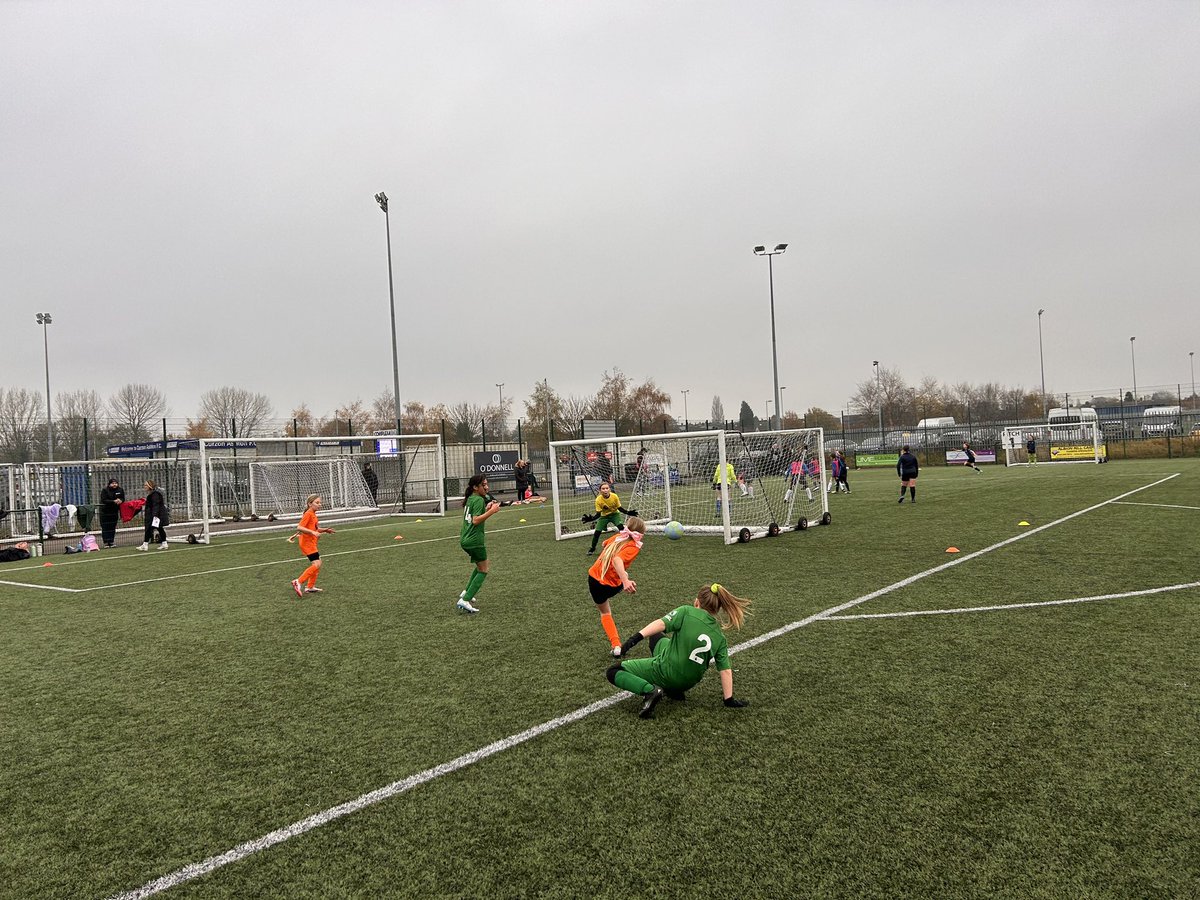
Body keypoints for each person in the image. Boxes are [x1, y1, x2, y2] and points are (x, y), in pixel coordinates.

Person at [606, 582, 752, 719]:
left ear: (697, 602)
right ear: (718, 608)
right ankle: (673, 690)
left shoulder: (687, 611)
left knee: (613, 671)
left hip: (666, 671)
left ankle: (649, 691)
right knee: (658, 639)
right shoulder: (720, 638)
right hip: (686, 684)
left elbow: (660, 624)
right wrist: (729, 699)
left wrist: (632, 641)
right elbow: (725, 670)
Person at [587, 516, 646, 656]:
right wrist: (625, 580)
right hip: (612, 586)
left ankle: (616, 645)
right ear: (641, 533)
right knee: (621, 574)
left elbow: (604, 544)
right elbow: (617, 559)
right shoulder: (633, 547)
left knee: (605, 613)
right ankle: (625, 579)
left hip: (594, 580)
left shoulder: (617, 537)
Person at [458, 474, 502, 613]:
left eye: (486, 484)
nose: (486, 487)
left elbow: (473, 518)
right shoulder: (477, 499)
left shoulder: (472, 499)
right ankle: (465, 600)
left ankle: (466, 593)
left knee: (479, 566)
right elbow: (476, 520)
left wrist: (487, 509)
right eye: (483, 485)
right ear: (475, 487)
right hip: (474, 541)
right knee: (483, 569)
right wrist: (493, 512)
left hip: (465, 539)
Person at [291, 494, 334, 596]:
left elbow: (314, 529)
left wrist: (324, 530)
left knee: (318, 563)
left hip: (311, 543)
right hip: (307, 543)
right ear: (310, 504)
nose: (320, 504)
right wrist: (313, 533)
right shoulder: (308, 514)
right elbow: (299, 527)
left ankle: (310, 587)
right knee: (317, 564)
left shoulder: (313, 514)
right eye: (317, 502)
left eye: (320, 502)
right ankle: (298, 581)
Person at [583, 482, 635, 555]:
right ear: (600, 490)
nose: (605, 490)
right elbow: (598, 514)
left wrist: (628, 512)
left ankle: (628, 545)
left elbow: (619, 508)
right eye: (603, 489)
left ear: (609, 489)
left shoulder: (614, 496)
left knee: (622, 528)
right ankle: (592, 548)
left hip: (615, 515)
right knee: (597, 533)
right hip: (604, 517)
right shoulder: (598, 500)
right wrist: (590, 519)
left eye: (607, 488)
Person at [138, 480, 170, 550]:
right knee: (160, 528)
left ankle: (145, 544)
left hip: (156, 515)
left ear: (150, 486)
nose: (145, 487)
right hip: (156, 514)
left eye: (146, 485)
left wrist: (154, 516)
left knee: (149, 529)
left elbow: (156, 505)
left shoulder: (155, 494)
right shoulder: (152, 494)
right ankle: (164, 543)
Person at [99, 477, 124, 548]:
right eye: (113, 483)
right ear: (109, 484)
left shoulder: (120, 490)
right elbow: (104, 500)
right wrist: (113, 501)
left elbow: (123, 498)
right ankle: (106, 542)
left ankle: (111, 541)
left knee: (112, 527)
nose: (114, 485)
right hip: (105, 512)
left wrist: (120, 500)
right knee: (105, 527)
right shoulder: (105, 490)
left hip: (114, 512)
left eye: (116, 483)